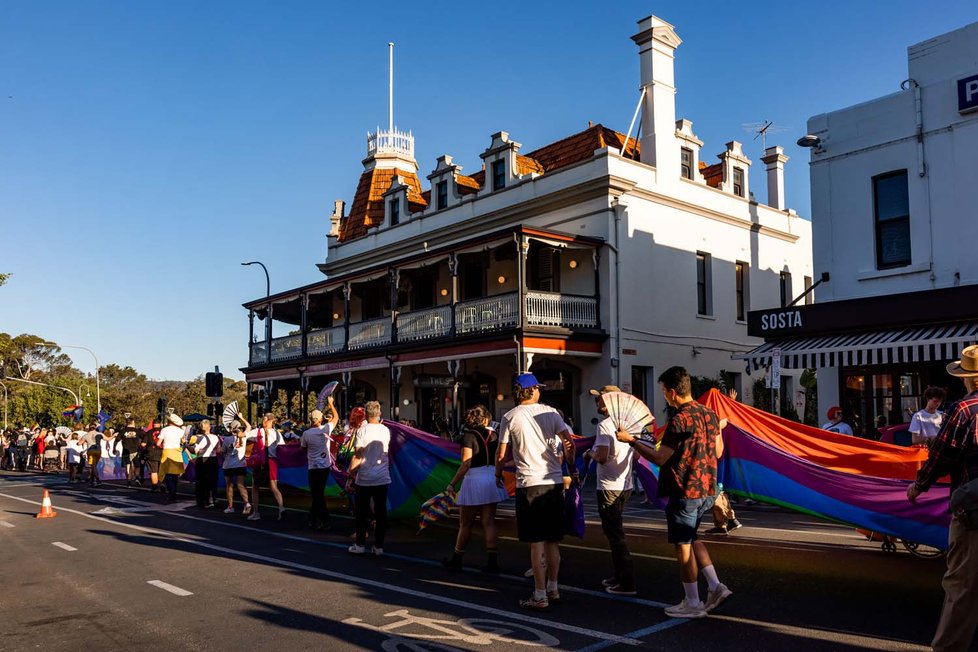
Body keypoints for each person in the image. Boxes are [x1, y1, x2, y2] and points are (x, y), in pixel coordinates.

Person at [617, 366, 731, 619]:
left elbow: (660, 457)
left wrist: (632, 441)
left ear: (671, 391)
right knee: (692, 537)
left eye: (663, 392)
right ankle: (715, 586)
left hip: (685, 489)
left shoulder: (680, 418)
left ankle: (693, 602)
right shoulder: (709, 414)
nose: (665, 397)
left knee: (683, 546)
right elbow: (719, 452)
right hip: (708, 489)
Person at [907, 345, 978, 652]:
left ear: (969, 380)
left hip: (974, 510)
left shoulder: (963, 410)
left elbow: (941, 457)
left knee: (962, 585)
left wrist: (918, 486)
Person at [496, 372, 578, 611]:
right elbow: (568, 443)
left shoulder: (510, 416)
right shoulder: (552, 413)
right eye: (538, 388)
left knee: (536, 542)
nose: (540, 391)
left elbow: (501, 454)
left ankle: (539, 594)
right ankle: (553, 587)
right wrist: (571, 466)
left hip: (528, 483)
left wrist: (498, 473)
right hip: (552, 482)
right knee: (553, 540)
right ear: (531, 391)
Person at [442, 405, 509, 574]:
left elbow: (466, 463)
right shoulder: (494, 435)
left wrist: (452, 483)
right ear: (486, 418)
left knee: (465, 523)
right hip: (491, 477)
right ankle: (492, 562)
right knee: (489, 522)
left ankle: (457, 559)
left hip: (474, 479)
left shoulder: (468, 436)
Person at [586, 385, 638, 596]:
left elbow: (602, 456)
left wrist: (590, 452)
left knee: (614, 533)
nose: (596, 402)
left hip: (609, 486)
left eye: (599, 399)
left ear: (609, 402)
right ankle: (618, 575)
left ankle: (627, 582)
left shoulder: (605, 426)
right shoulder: (629, 424)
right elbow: (636, 454)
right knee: (614, 531)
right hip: (625, 484)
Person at [347, 400, 391, 556]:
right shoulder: (386, 430)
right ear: (379, 413)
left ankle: (360, 544)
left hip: (365, 477)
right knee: (380, 512)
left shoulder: (362, 431)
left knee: (361, 512)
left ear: (366, 414)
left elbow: (358, 455)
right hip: (382, 477)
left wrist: (350, 472)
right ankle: (378, 546)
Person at [301, 398, 339, 531]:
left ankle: (316, 519)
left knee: (316, 494)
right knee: (318, 494)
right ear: (320, 419)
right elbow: (336, 417)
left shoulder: (306, 434)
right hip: (324, 467)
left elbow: (302, 448)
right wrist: (331, 404)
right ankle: (319, 519)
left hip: (313, 467)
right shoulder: (326, 428)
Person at [246, 412, 288, 522]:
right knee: (272, 486)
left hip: (263, 461)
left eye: (265, 419)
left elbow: (245, 435)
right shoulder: (276, 434)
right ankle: (281, 508)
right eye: (263, 419)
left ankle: (256, 513)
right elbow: (282, 448)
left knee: (257, 486)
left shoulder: (257, 431)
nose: (263, 422)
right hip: (271, 461)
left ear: (271, 420)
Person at [221, 419, 251, 514]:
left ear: (232, 429)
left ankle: (230, 507)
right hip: (240, 464)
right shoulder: (245, 436)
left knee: (229, 485)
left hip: (228, 465)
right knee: (240, 485)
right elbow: (249, 426)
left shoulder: (226, 439)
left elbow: (223, 452)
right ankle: (246, 503)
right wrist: (241, 418)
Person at [157, 413, 187, 502]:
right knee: (175, 475)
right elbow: (184, 442)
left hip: (167, 452)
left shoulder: (164, 430)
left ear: (169, 421)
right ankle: (174, 492)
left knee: (167, 474)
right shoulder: (180, 431)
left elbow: (158, 443)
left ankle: (171, 493)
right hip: (177, 452)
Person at [192, 419, 221, 509]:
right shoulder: (215, 437)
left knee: (201, 481)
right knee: (212, 480)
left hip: (202, 460)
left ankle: (203, 501)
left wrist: (187, 446)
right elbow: (219, 450)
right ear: (209, 427)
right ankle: (212, 499)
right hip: (213, 459)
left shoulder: (199, 439)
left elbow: (195, 451)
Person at [119, 418, 142, 486]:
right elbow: (145, 436)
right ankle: (137, 477)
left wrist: (114, 448)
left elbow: (117, 439)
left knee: (128, 466)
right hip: (136, 451)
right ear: (132, 422)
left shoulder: (123, 431)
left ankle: (129, 481)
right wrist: (143, 442)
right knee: (137, 465)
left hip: (126, 450)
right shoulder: (137, 431)